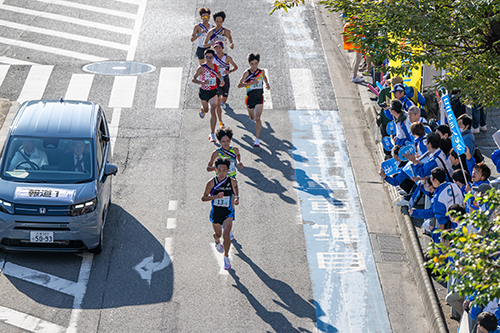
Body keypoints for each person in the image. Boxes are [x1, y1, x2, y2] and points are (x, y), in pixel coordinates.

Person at [202, 158, 239, 270]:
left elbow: (236, 189)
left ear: (228, 170)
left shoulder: (232, 181)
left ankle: (226, 257)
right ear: (216, 170)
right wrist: (215, 197)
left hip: (228, 212)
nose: (222, 173)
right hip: (216, 212)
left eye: (224, 170)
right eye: (219, 170)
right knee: (218, 234)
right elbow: (203, 198)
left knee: (226, 235)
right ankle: (216, 240)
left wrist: (237, 198)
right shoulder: (211, 182)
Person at [409, 167, 463, 240]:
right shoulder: (453, 185)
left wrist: (442, 236)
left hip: (451, 224)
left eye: (431, 178)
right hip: (462, 219)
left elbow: (439, 217)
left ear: (436, 180)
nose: (431, 180)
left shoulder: (438, 197)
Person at [237, 53, 270, 148]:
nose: (254, 66)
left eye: (256, 63)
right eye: (252, 63)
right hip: (250, 98)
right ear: (249, 63)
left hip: (259, 97)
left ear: (258, 62)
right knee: (252, 117)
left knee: (258, 118)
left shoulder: (261, 71)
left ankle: (257, 140)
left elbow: (264, 78)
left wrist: (267, 83)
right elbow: (239, 85)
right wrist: (250, 83)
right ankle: (251, 117)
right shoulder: (246, 73)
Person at [192, 49, 224, 142]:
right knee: (206, 109)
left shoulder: (216, 66)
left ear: (213, 58)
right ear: (205, 57)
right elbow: (193, 79)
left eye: (210, 57)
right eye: (207, 57)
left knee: (213, 110)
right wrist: (201, 82)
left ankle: (212, 133)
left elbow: (218, 74)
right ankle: (202, 108)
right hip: (203, 92)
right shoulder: (201, 68)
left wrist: (221, 79)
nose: (208, 59)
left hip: (213, 91)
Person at [213, 40, 238, 122]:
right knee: (219, 96)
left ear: (222, 48)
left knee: (225, 96)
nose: (218, 50)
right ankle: (219, 106)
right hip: (217, 78)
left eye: (219, 48)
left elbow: (235, 67)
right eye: (216, 48)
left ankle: (223, 103)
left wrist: (230, 71)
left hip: (226, 78)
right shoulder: (212, 57)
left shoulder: (227, 58)